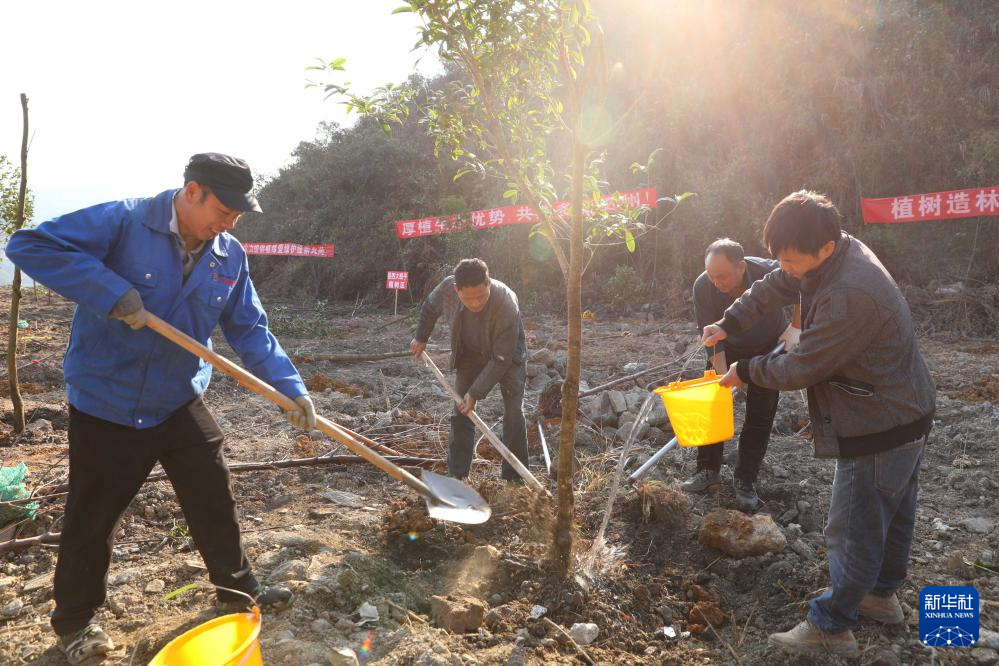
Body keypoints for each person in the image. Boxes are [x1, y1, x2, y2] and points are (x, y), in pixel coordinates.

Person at [6, 153, 318, 665]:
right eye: (224, 209)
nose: (230, 222)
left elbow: (249, 328)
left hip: (176, 397)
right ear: (192, 191)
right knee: (93, 516)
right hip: (107, 399)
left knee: (212, 493)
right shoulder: (126, 221)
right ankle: (76, 624)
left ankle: (237, 592)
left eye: (239, 215)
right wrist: (113, 293)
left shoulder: (228, 255)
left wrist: (290, 387)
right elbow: (28, 244)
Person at [702, 191, 935, 657]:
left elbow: (804, 365)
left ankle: (832, 624)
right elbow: (776, 284)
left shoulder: (851, 291)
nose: (783, 267)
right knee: (888, 511)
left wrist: (746, 371)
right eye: (779, 257)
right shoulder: (829, 253)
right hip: (903, 409)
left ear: (824, 249)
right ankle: (880, 595)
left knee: (851, 524)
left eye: (790, 259)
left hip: (877, 418)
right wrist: (730, 320)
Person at [686, 238, 801, 510]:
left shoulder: (768, 272)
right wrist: (723, 377)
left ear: (740, 267)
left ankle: (745, 479)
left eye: (722, 276)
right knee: (713, 405)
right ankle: (707, 470)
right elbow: (711, 338)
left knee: (760, 415)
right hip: (727, 348)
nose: (716, 282)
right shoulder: (703, 285)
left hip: (769, 349)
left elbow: (804, 287)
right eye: (711, 275)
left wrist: (796, 326)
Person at [409, 258, 529, 480]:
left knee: (514, 412)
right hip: (469, 355)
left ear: (489, 285)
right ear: (456, 290)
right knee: (461, 411)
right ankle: (457, 474)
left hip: (508, 357)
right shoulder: (447, 288)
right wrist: (420, 337)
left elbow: (501, 358)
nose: (475, 303)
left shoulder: (506, 303)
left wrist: (475, 393)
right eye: (468, 298)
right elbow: (429, 308)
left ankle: (514, 478)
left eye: (481, 297)